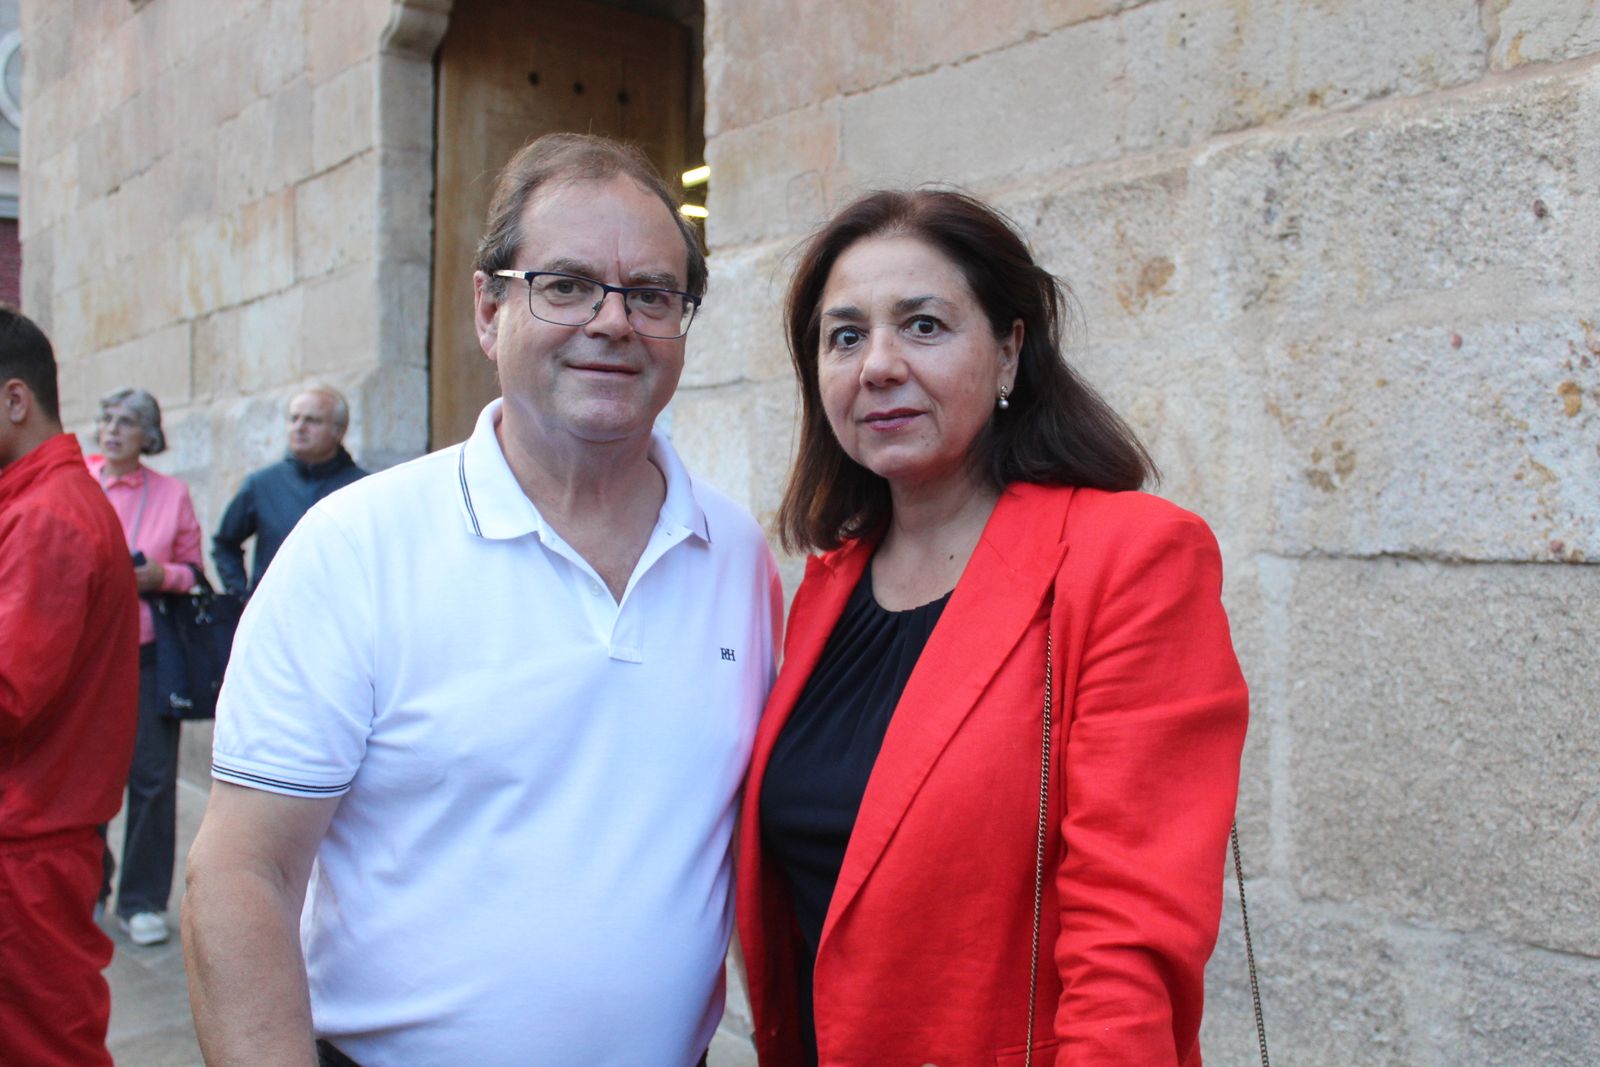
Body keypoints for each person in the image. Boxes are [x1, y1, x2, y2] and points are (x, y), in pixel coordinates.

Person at [183, 133, 782, 1067]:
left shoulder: (736, 554)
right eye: (566, 285)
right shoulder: (357, 547)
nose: (613, 321)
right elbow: (240, 873)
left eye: (652, 294)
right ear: (488, 308)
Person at [737, 190, 1250, 1066]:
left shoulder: (1129, 559)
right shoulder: (827, 587)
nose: (878, 365)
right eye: (845, 336)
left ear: (1010, 350)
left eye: (924, 325)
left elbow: (1130, 947)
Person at [0, 307, 141, 1067]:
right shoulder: (35, 503)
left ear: (15, 399)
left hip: (26, 845)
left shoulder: (48, 517)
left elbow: (8, 695)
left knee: (42, 1048)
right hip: (30, 834)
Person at [85, 386, 205, 947]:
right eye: (107, 419)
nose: (113, 430)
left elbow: (193, 571)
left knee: (152, 778)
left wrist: (160, 576)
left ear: (148, 435)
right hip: (82, 654)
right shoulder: (79, 481)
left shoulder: (172, 494)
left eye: (127, 422)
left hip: (147, 652)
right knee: (84, 775)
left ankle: (141, 901)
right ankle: (87, 887)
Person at [212, 386, 367, 597]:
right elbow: (224, 545)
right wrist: (243, 597)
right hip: (277, 610)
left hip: (341, 608)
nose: (299, 428)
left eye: (312, 421)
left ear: (339, 431)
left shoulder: (362, 488)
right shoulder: (261, 484)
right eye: (294, 418)